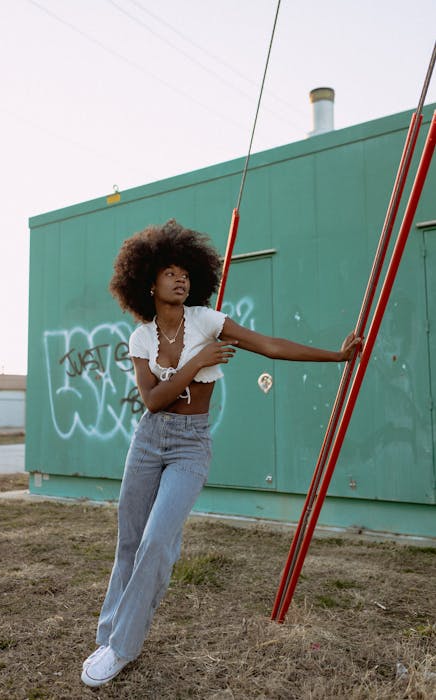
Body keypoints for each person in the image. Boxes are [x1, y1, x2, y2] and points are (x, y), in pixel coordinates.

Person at [81, 220, 361, 688]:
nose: (180, 279)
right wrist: (197, 361)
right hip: (148, 439)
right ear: (148, 282)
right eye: (169, 272)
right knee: (130, 543)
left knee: (155, 541)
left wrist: (336, 357)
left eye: (184, 272)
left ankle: (122, 648)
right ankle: (109, 633)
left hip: (191, 443)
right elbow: (152, 401)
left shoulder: (209, 322)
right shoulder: (141, 338)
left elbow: (268, 345)